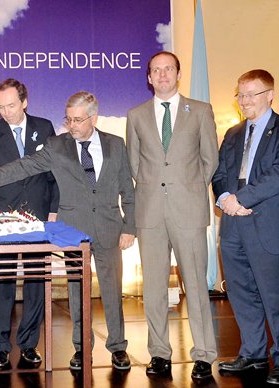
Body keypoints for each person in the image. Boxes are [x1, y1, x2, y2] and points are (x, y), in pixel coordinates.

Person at [0, 91, 135, 371]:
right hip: (73, 232)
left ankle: (117, 347)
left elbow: (128, 189)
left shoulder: (116, 145)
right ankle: (81, 349)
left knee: (113, 291)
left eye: (78, 120)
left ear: (94, 117)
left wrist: (130, 227)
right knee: (77, 291)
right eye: (68, 119)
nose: (72, 125)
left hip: (109, 228)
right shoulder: (57, 146)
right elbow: (23, 166)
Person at [125, 51, 218, 380]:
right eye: (156, 70)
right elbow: (134, 164)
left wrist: (187, 189)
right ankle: (159, 353)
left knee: (194, 285)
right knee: (152, 288)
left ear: (178, 74)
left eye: (168, 69)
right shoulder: (136, 115)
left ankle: (204, 354)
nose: (162, 75)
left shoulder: (201, 111)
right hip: (150, 210)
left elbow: (210, 160)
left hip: (188, 211)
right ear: (148, 78)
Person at [0, 78, 58, 369]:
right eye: (0, 107)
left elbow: (55, 173)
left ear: (24, 102)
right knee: (1, 281)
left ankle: (29, 345)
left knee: (35, 282)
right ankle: (0, 347)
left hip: (38, 215)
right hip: (3, 215)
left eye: (11, 105)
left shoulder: (45, 127)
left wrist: (53, 210)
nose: (6, 112)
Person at [212, 69, 279, 385]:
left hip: (265, 223)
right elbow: (219, 172)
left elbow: (277, 174)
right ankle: (253, 354)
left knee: (274, 296)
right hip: (233, 226)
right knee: (241, 292)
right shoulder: (233, 133)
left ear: (270, 94)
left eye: (252, 93)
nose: (245, 100)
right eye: (240, 94)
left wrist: (241, 198)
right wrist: (225, 196)